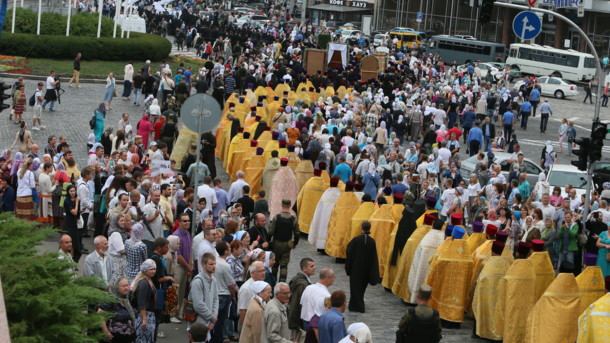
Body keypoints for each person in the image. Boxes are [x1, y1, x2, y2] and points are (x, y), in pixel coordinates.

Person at [345, 221, 380, 313]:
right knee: (361, 288)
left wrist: (348, 266)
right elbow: (373, 257)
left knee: (354, 287)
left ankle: (355, 305)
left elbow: (349, 251)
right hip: (366, 269)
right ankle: (359, 304)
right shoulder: (372, 241)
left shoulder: (356, 240)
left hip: (355, 268)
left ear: (362, 228)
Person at [269, 198, 299, 282]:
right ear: (289, 205)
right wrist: (295, 243)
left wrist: (268, 241)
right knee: (284, 265)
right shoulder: (293, 219)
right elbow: (297, 233)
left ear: (282, 205)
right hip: (287, 244)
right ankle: (282, 283)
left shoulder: (276, 217)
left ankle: (273, 281)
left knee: (275, 263)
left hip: (276, 243)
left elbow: (270, 231)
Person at [189, 252, 220, 337]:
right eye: (211, 264)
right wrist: (212, 318)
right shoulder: (197, 281)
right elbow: (198, 305)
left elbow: (215, 300)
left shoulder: (213, 280)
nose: (214, 266)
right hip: (197, 324)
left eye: (215, 264)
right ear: (204, 264)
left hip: (208, 322)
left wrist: (213, 319)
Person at [98, 278, 136, 343]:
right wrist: (106, 332)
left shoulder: (126, 299)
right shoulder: (110, 299)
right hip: (113, 339)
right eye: (123, 286)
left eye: (127, 285)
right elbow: (100, 315)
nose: (127, 288)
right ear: (116, 287)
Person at [214, 241, 237, 343]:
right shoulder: (225, 266)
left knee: (215, 319)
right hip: (223, 294)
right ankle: (220, 339)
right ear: (225, 251)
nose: (230, 249)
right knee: (221, 321)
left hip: (215, 293)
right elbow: (230, 284)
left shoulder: (215, 261)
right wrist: (234, 295)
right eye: (228, 248)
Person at [131, 259, 157, 343]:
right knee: (142, 339)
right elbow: (141, 302)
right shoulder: (143, 283)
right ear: (145, 270)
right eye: (151, 269)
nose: (153, 271)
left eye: (154, 269)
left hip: (150, 314)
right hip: (144, 315)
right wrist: (144, 319)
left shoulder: (149, 280)